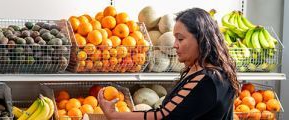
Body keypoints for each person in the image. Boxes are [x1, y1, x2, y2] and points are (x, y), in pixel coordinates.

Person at [97, 8, 240, 120]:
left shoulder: (206, 81)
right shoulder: (214, 73)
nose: (175, 45)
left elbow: (164, 116)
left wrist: (113, 115)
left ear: (201, 39)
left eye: (180, 39)